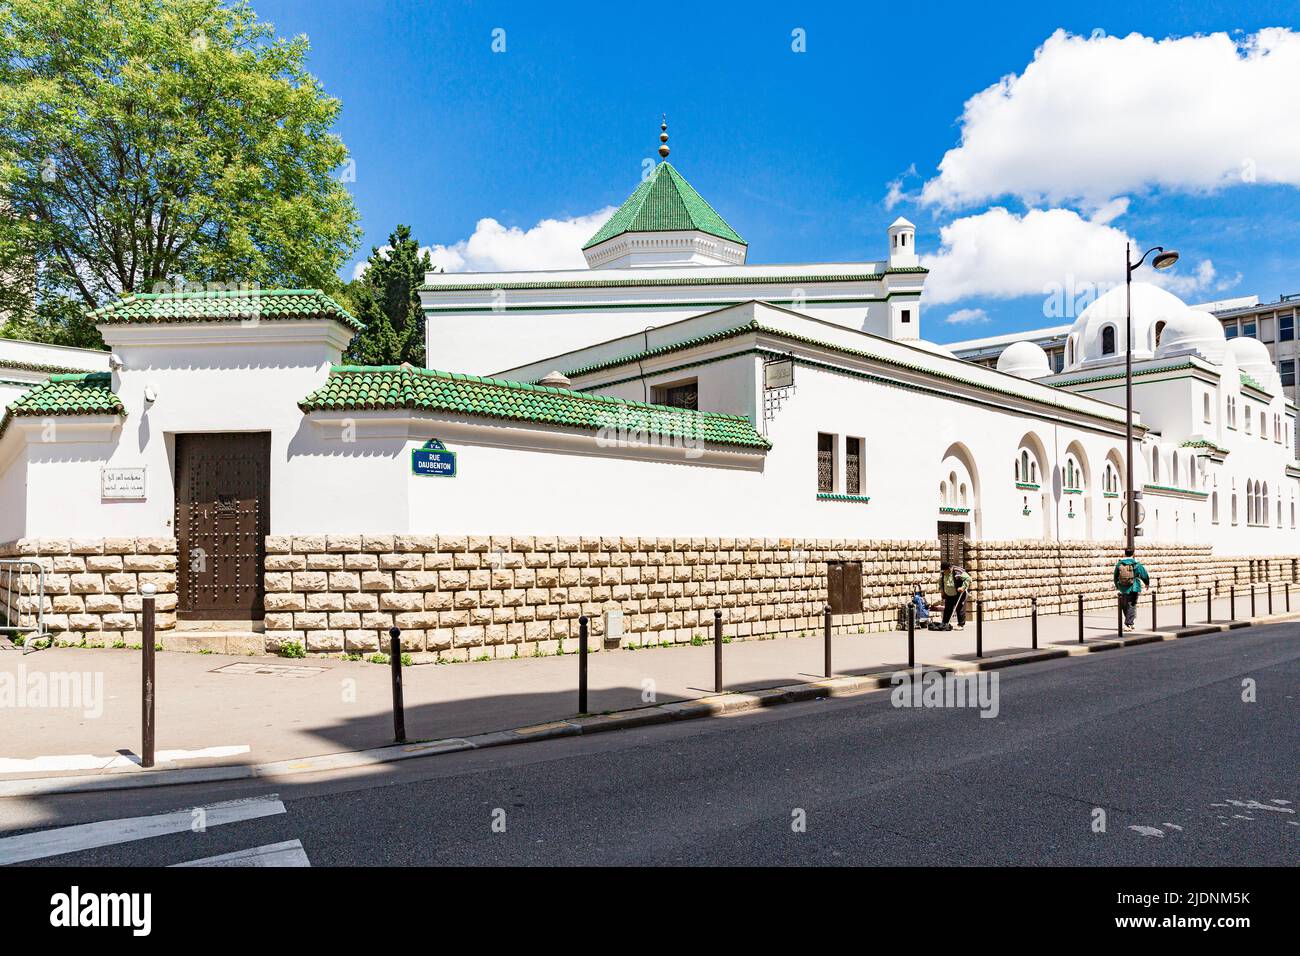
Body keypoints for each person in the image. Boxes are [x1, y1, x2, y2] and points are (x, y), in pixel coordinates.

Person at [1114, 555, 1150, 629]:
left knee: (1125, 605)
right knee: (1132, 605)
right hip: (1134, 587)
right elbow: (1144, 574)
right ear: (1133, 554)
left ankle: (1129, 622)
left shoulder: (1119, 564)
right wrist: (1147, 583)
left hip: (1123, 587)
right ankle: (1129, 624)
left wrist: (1118, 586)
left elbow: (1115, 576)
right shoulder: (1136, 564)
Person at [938, 561, 971, 630]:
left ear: (949, 568)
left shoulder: (957, 571)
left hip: (958, 594)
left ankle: (960, 625)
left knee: (959, 609)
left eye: (945, 570)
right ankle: (945, 623)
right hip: (948, 594)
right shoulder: (943, 573)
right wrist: (942, 591)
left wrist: (963, 587)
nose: (944, 572)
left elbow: (968, 579)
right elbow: (940, 582)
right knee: (947, 609)